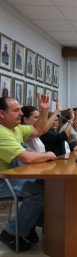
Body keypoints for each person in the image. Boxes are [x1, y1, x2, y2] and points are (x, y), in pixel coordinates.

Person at [0, 95, 56, 251]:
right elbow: (27, 158)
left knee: (46, 185)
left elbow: (38, 130)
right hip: (3, 181)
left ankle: (27, 225)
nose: (21, 114)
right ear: (1, 114)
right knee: (38, 192)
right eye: (16, 110)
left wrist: (44, 110)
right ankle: (10, 232)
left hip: (13, 176)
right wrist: (48, 155)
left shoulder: (15, 128)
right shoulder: (1, 132)